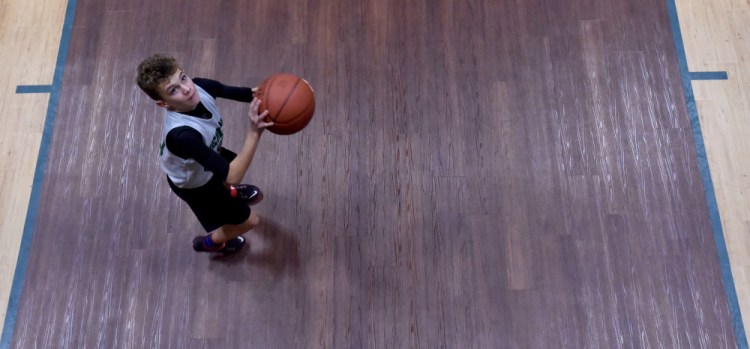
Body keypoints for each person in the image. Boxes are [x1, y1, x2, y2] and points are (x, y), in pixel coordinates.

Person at [136, 54, 272, 255]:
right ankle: (210, 243)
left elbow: (248, 93)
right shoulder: (182, 136)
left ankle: (230, 192)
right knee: (249, 221)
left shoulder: (200, 86)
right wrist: (254, 132)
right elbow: (233, 175)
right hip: (196, 185)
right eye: (173, 90)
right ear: (163, 104)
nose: (187, 89)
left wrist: (286, 89)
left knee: (232, 166)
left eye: (182, 78)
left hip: (207, 155)